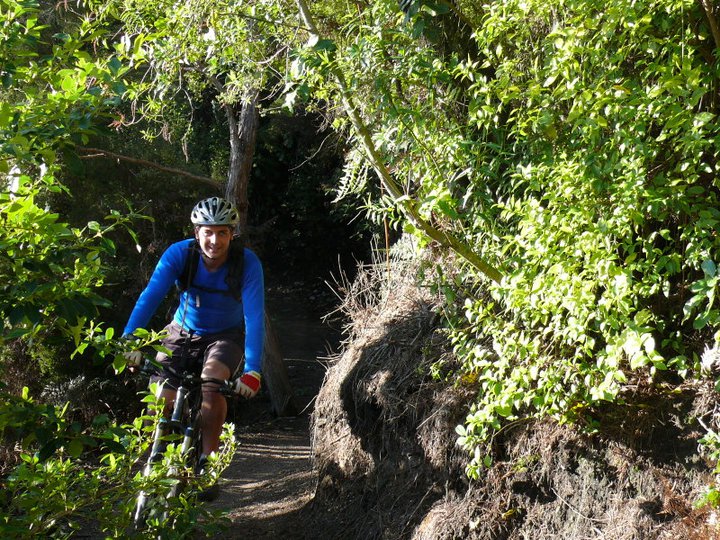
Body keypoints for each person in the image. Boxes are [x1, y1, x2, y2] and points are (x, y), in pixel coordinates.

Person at [122, 196, 264, 499]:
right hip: (182, 331)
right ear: (197, 232)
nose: (215, 240)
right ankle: (153, 450)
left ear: (232, 234)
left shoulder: (246, 262)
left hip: (226, 335)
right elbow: (150, 297)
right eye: (208, 232)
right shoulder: (179, 254)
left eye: (222, 232)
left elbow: (254, 317)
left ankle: (206, 462)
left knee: (212, 381)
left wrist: (252, 370)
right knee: (161, 395)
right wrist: (129, 340)